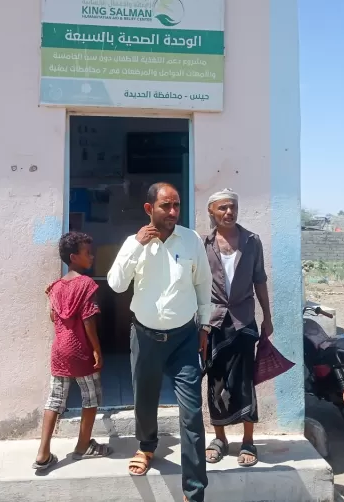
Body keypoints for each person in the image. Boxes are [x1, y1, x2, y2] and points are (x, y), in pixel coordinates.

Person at [107, 182, 211, 502]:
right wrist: (137, 246)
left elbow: (203, 284)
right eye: (166, 206)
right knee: (144, 399)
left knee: (191, 413)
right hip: (145, 337)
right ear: (149, 209)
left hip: (184, 339)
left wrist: (205, 327)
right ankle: (147, 446)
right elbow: (116, 284)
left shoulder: (191, 240)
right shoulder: (134, 243)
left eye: (176, 205)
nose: (173, 212)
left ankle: (194, 491)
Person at [202, 189, 273, 468]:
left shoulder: (252, 241)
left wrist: (267, 316)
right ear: (212, 211)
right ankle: (219, 439)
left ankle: (248, 440)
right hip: (214, 321)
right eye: (222, 208)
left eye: (232, 207)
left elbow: (260, 279)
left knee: (244, 380)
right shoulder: (203, 243)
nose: (229, 212)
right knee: (215, 379)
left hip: (243, 320)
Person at [34, 232, 112, 473]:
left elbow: (53, 316)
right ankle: (83, 445)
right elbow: (88, 320)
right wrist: (97, 349)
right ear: (73, 257)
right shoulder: (87, 284)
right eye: (87, 252)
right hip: (80, 350)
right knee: (91, 397)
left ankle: (43, 453)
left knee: (55, 399)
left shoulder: (55, 287)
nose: (92, 256)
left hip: (59, 350)